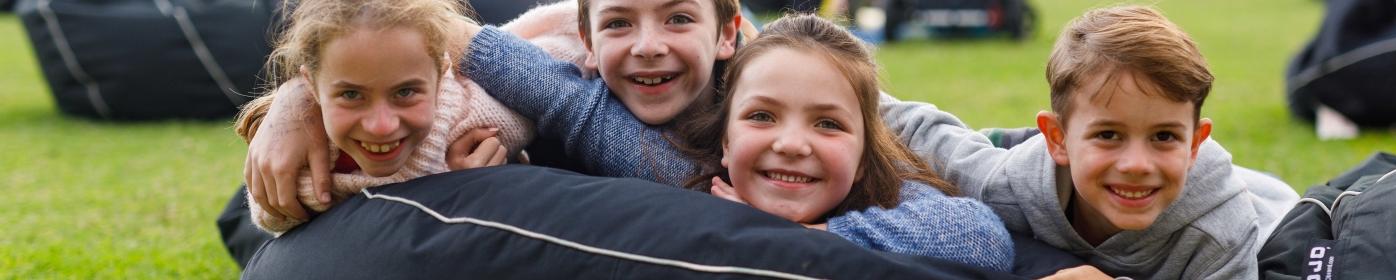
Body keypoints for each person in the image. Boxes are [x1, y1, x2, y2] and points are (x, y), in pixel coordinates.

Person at [243, 0, 1020, 271]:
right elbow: (567, 104)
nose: (648, 45)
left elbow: (975, 224)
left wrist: (787, 236)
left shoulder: (791, 100)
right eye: (620, 24)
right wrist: (297, 102)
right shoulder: (652, 147)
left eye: (679, 17)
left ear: (728, 35)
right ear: (587, 39)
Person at [879, 5, 1299, 278]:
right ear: (1056, 138)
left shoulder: (1221, 232)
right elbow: (925, 133)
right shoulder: (1007, 186)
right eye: (1109, 135)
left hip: (1273, 207)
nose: (1136, 163)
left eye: (1164, 136)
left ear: (1195, 142)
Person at [673, 14, 1014, 271]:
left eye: (827, 123)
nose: (792, 145)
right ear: (726, 141)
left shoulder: (887, 196)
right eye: (762, 116)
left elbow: (980, 237)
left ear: (864, 158)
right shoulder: (686, 178)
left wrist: (807, 234)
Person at [233, 0, 533, 235]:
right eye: (351, 95)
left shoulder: (470, 114)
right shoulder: (299, 156)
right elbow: (272, 214)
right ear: (311, 85)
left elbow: (534, 104)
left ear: (441, 74)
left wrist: (494, 174)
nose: (381, 126)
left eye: (405, 92)